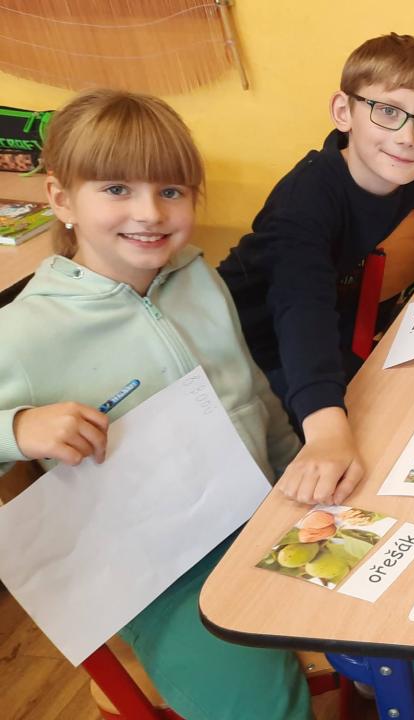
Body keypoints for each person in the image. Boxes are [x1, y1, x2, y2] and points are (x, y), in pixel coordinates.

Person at [0, 89, 310, 719]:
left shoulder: (196, 274)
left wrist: (297, 474)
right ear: (61, 198)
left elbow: (252, 392)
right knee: (264, 709)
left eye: (171, 190)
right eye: (117, 189)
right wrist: (17, 428)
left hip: (262, 510)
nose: (149, 213)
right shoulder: (24, 333)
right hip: (163, 575)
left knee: (398, 605)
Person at [218, 33, 414, 508]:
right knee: (325, 464)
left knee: (408, 418)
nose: (406, 136)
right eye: (387, 111)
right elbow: (301, 310)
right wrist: (326, 431)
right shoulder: (305, 199)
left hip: (332, 319)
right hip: (250, 339)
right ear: (343, 112)